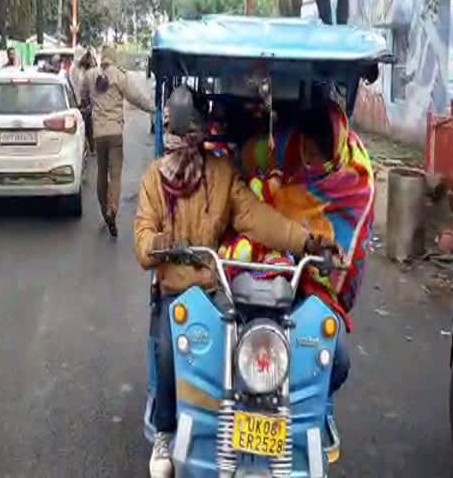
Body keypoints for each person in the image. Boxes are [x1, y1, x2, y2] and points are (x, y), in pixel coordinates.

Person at [134, 86, 333, 478]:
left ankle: (256, 421)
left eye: (190, 136)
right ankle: (165, 429)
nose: (183, 145)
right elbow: (142, 243)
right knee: (167, 353)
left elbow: (259, 218)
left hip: (212, 292)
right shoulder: (153, 181)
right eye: (178, 136)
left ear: (201, 134)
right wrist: (165, 244)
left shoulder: (221, 175)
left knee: (251, 344)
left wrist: (307, 240)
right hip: (175, 294)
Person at [226, 94, 376, 395]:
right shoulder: (283, 148)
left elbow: (350, 250)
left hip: (317, 277)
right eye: (304, 151)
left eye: (314, 155)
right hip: (271, 256)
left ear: (331, 152)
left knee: (337, 358)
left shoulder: (357, 183)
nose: (307, 162)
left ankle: (307, 403)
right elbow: (248, 168)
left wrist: (319, 251)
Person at [83, 45, 155, 237]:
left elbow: (82, 93)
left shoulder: (90, 75)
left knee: (101, 174)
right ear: (114, 57)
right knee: (115, 175)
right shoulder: (120, 76)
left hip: (99, 134)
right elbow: (136, 97)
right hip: (115, 134)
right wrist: (153, 108)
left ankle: (103, 210)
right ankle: (113, 209)